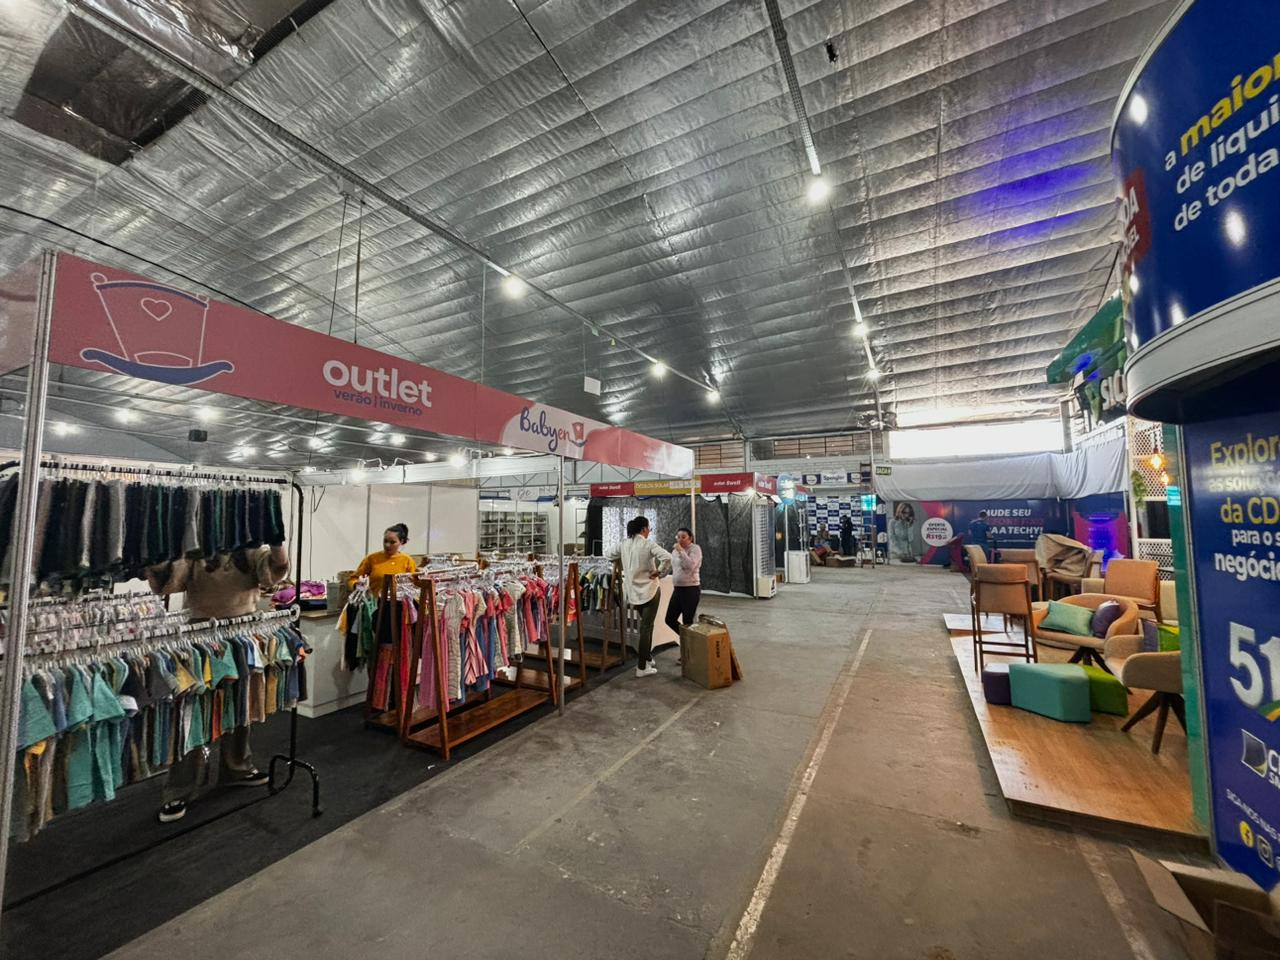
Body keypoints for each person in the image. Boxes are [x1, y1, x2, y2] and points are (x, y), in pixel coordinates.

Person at [147, 542, 292, 823]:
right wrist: (158, 545)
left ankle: (237, 767)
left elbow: (274, 571)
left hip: (242, 633)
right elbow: (170, 579)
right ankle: (179, 787)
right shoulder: (197, 548)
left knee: (240, 706)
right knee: (192, 714)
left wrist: (277, 540)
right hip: (201, 635)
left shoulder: (248, 545)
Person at [606, 516, 671, 677]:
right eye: (649, 529)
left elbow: (608, 554)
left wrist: (621, 561)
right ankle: (642, 667)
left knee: (646, 627)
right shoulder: (648, 544)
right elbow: (667, 557)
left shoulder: (624, 544)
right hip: (650, 590)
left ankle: (647, 658)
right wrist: (659, 571)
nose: (649, 531)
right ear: (644, 529)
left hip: (634, 593)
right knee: (646, 628)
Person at [350, 523, 416, 595]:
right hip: (375, 601)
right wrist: (357, 585)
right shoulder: (372, 559)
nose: (387, 545)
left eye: (392, 542)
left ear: (401, 542)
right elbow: (353, 579)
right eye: (385, 541)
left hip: (399, 601)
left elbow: (414, 584)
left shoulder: (408, 561)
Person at [665, 527, 702, 637]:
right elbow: (671, 567)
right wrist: (658, 574)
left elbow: (690, 565)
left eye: (683, 537)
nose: (680, 539)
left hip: (690, 589)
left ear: (690, 538)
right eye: (678, 537)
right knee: (669, 619)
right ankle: (687, 640)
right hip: (677, 589)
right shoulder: (675, 551)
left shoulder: (695, 549)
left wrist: (681, 551)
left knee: (687, 621)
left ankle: (690, 645)